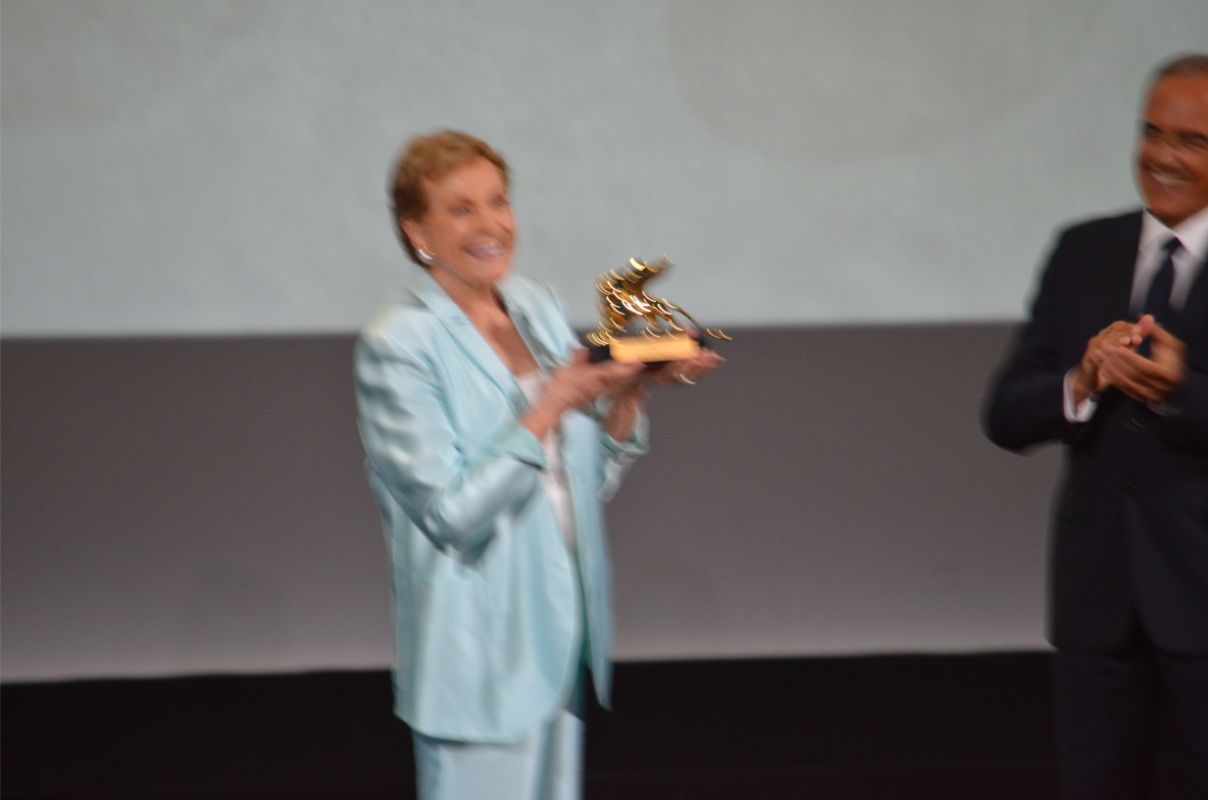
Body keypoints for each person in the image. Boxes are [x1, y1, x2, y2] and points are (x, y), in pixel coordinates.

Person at [354, 130, 722, 800]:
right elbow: (449, 514)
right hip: (480, 655)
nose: (491, 224)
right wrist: (548, 406)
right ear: (418, 232)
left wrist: (630, 391)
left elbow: (579, 483)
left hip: (558, 640)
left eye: (498, 201)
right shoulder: (397, 344)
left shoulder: (535, 305)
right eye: (461, 208)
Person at [983, 54, 1208, 799]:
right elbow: (1006, 412)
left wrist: (1183, 390)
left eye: (1191, 140)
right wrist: (1079, 384)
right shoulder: (1085, 250)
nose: (1162, 156)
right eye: (1150, 132)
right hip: (1097, 603)